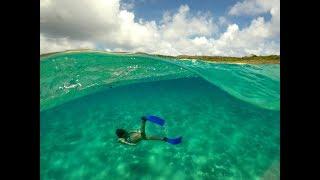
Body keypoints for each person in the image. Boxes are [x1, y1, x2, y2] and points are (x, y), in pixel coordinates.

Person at [116, 116, 182, 145]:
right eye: (125, 132)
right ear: (122, 135)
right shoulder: (121, 139)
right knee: (142, 133)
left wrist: (136, 131)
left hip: (140, 137)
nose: (127, 132)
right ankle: (143, 121)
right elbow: (128, 144)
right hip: (135, 140)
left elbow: (130, 132)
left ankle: (164, 139)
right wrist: (130, 144)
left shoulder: (127, 133)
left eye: (126, 132)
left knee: (150, 137)